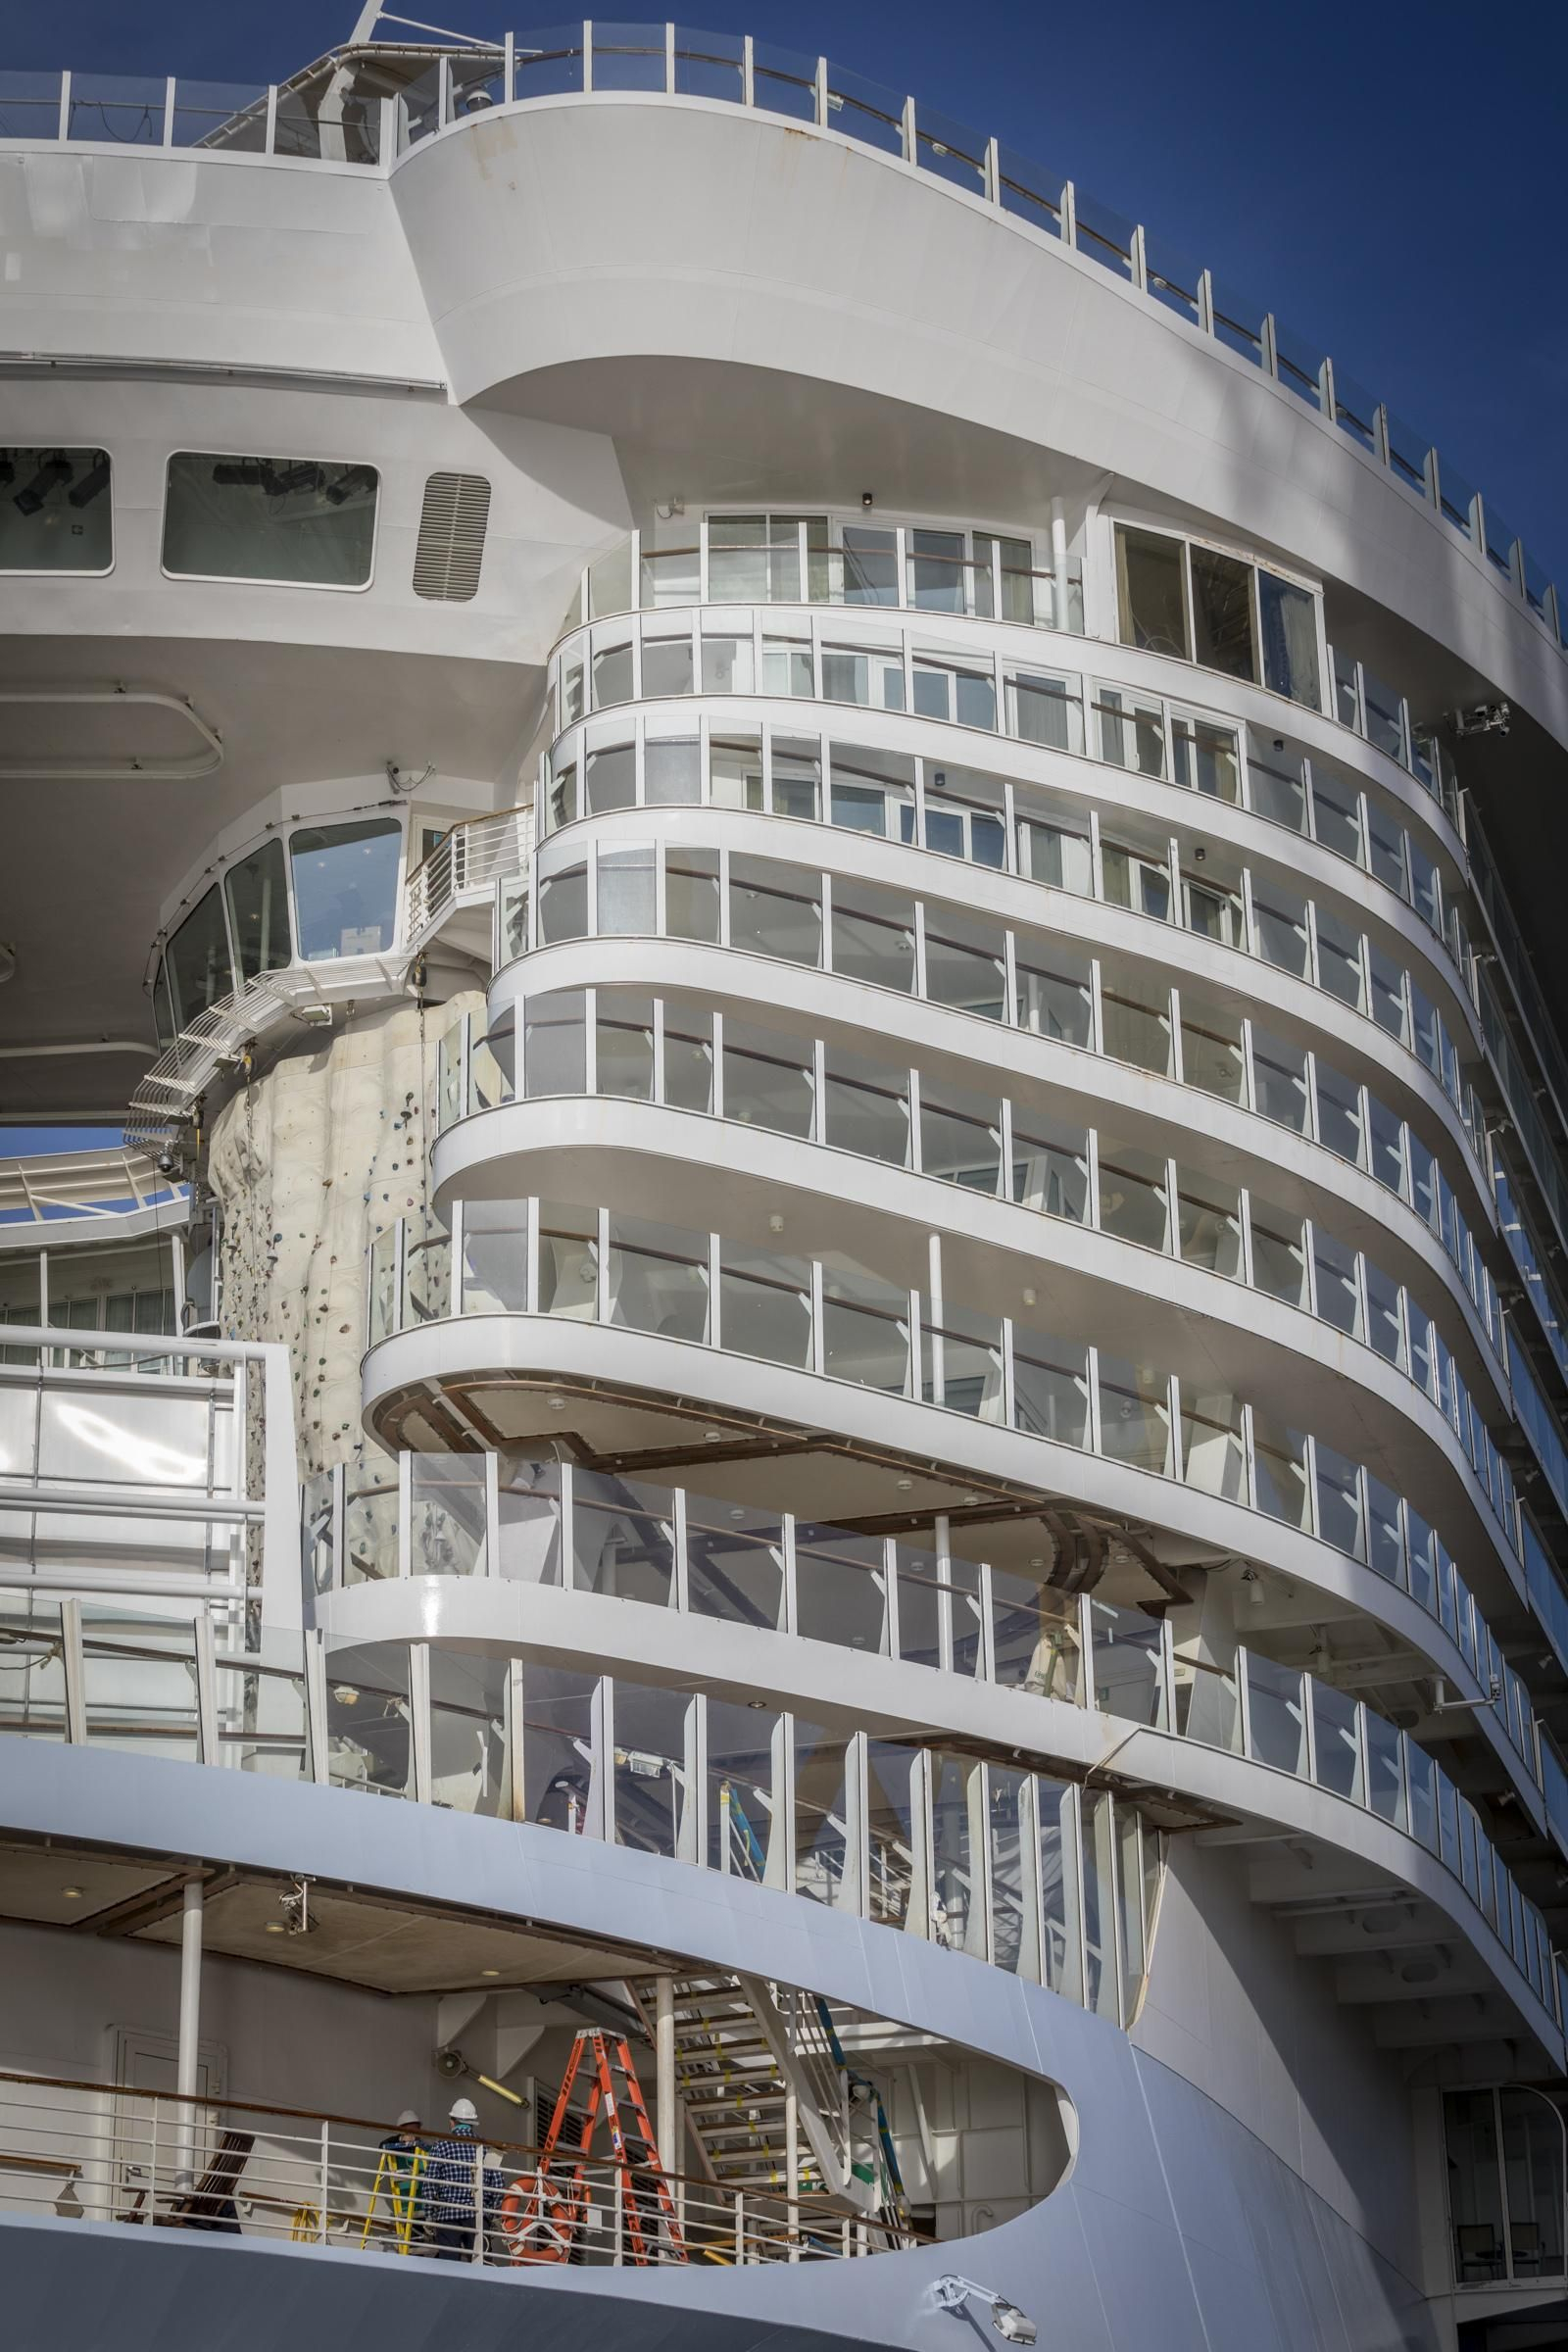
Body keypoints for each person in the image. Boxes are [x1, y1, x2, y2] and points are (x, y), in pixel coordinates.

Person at [425, 2096, 503, 2261]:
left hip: (448, 2215)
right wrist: (490, 2213)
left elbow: (430, 2185)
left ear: (452, 2122)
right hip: (476, 2216)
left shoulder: (441, 2146)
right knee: (481, 2265)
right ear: (473, 2124)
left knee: (449, 2267)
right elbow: (497, 2185)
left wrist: (430, 2216)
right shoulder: (485, 2148)